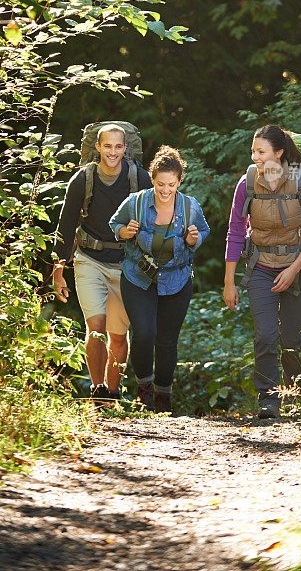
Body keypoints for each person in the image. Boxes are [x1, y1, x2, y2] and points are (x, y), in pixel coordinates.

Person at [223, 124, 301, 419]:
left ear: (279, 153)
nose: (255, 156)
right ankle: (268, 397)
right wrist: (230, 282)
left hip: (298, 269)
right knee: (265, 335)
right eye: (253, 151)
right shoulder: (247, 184)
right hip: (261, 268)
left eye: (261, 151)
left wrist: (293, 270)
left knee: (291, 339)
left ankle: (295, 394)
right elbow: (235, 232)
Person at [53, 124, 151, 403]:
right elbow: (66, 225)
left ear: (125, 148)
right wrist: (59, 270)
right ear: (97, 147)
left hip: (126, 265)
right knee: (95, 327)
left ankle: (113, 392)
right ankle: (98, 392)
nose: (112, 152)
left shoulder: (139, 179)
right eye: (107, 146)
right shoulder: (82, 180)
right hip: (89, 259)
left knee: (118, 336)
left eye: (118, 147)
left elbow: (156, 220)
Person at [109, 146, 210, 413]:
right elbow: (114, 225)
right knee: (143, 333)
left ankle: (164, 395)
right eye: (160, 184)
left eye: (171, 184)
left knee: (167, 340)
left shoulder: (190, 206)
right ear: (152, 180)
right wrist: (126, 231)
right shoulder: (136, 202)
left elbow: (203, 232)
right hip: (138, 277)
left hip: (176, 280)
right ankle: (144, 390)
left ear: (179, 182)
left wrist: (193, 240)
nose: (166, 190)